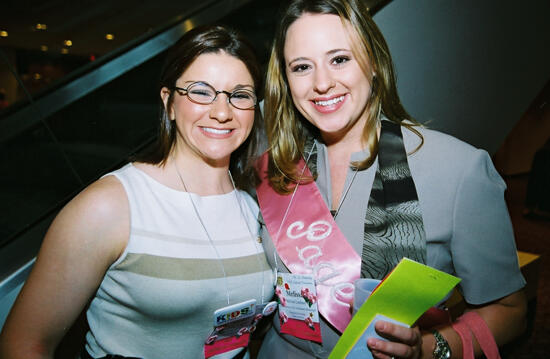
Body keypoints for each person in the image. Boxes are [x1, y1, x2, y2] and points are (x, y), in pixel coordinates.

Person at [254, 0, 527, 358]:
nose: (322, 83)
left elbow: (510, 311)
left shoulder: (459, 170)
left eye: (340, 59)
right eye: (302, 66)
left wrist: (428, 348)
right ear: (286, 81)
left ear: (374, 64)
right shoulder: (274, 167)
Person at [0, 25, 274, 359]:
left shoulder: (255, 204)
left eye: (240, 94)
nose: (221, 111)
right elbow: (24, 343)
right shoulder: (112, 205)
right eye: (201, 91)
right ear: (169, 103)